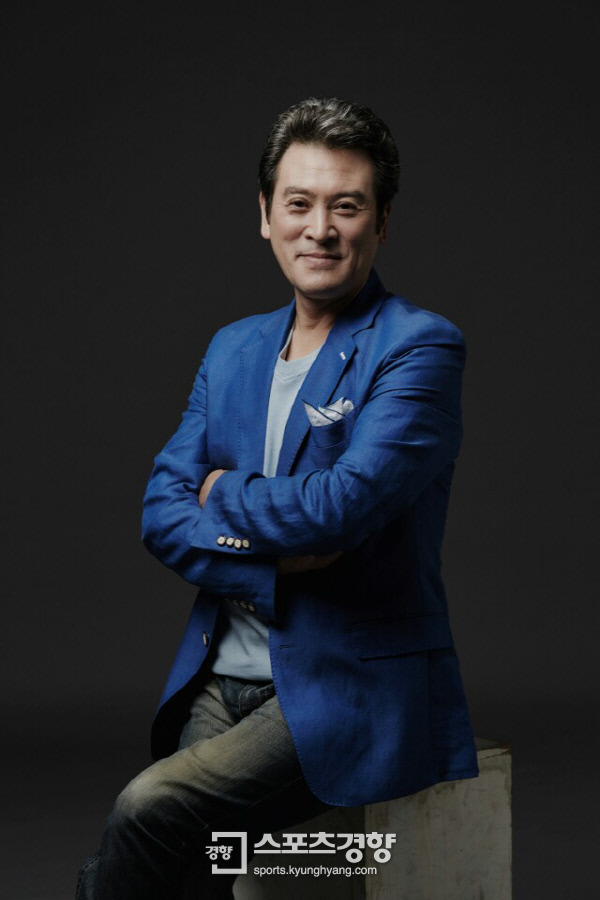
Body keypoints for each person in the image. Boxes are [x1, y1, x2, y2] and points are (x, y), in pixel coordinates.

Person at [76, 96, 478, 899]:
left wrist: (220, 492)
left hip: (344, 686)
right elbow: (160, 511)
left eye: (346, 206)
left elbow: (339, 508)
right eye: (299, 203)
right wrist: (274, 565)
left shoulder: (419, 346)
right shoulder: (233, 348)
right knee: (188, 866)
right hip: (219, 673)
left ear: (382, 222)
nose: (319, 229)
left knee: (150, 810)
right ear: (266, 215)